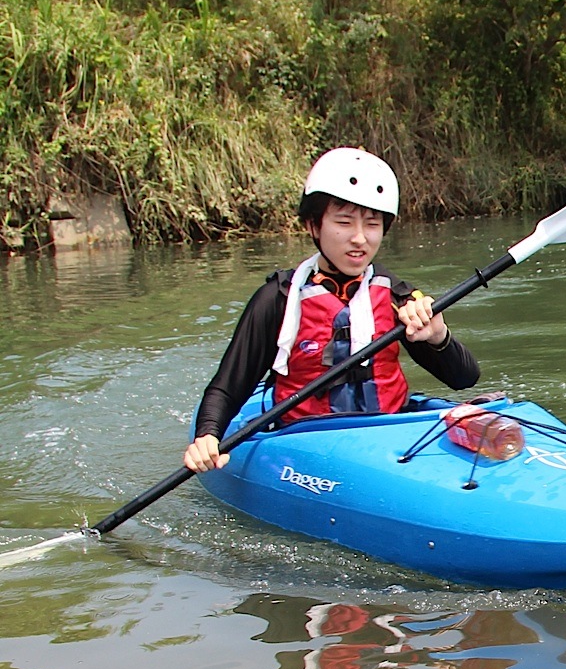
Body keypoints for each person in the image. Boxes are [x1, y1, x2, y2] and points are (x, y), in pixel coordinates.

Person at [184, 147, 480, 472]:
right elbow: (228, 386)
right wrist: (207, 436)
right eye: (343, 222)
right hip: (306, 446)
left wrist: (439, 336)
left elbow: (464, 378)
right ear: (313, 225)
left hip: (390, 438)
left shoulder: (397, 295)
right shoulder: (278, 299)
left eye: (372, 224)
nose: (359, 239)